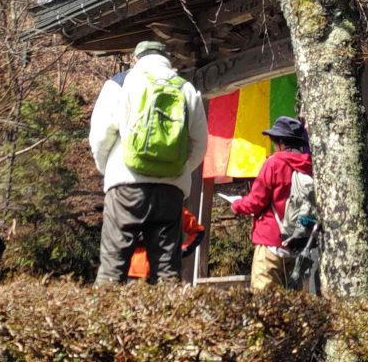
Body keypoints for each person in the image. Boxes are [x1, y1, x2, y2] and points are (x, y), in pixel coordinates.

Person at [89, 40, 207, 285]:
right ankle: (169, 309)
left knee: (113, 266)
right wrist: (180, 171)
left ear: (136, 58)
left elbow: (101, 136)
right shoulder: (185, 88)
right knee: (167, 269)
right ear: (167, 59)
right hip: (171, 189)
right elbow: (200, 143)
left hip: (125, 184)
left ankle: (105, 309)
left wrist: (107, 169)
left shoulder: (119, 83)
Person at [230, 116, 313, 292]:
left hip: (271, 243)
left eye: (275, 141)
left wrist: (236, 204)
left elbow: (256, 201)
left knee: (263, 300)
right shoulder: (310, 166)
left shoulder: (274, 163)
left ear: (281, 142)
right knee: (293, 304)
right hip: (297, 245)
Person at [127, 207, 205, 282]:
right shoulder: (131, 205)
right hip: (130, 271)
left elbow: (198, 231)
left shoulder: (173, 207)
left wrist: (180, 251)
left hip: (163, 272)